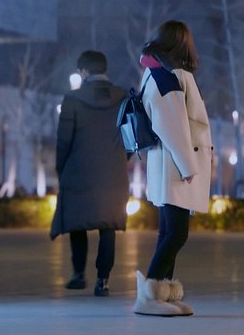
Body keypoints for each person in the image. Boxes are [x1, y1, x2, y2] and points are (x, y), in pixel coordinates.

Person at [133, 20, 213, 317]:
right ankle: (150, 294)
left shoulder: (156, 72)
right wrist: (187, 165)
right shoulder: (168, 76)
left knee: (169, 231)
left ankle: (162, 291)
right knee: (176, 234)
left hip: (167, 163)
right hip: (175, 165)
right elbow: (173, 126)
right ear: (183, 44)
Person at [50, 50, 129, 297]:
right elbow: (130, 137)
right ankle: (103, 280)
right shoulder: (123, 97)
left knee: (78, 222)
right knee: (108, 226)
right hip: (113, 174)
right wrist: (119, 161)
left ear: (83, 71)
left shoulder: (73, 99)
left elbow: (64, 140)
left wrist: (61, 167)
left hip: (78, 170)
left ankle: (78, 274)